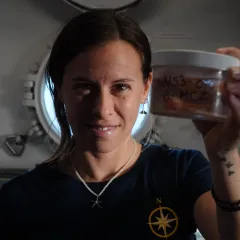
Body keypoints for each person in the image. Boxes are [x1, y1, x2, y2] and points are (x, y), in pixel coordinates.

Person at [0, 10, 240, 240]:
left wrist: (224, 154)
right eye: (84, 86)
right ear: (60, 89)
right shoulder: (19, 198)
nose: (103, 109)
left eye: (121, 87)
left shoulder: (183, 172)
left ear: (146, 88)